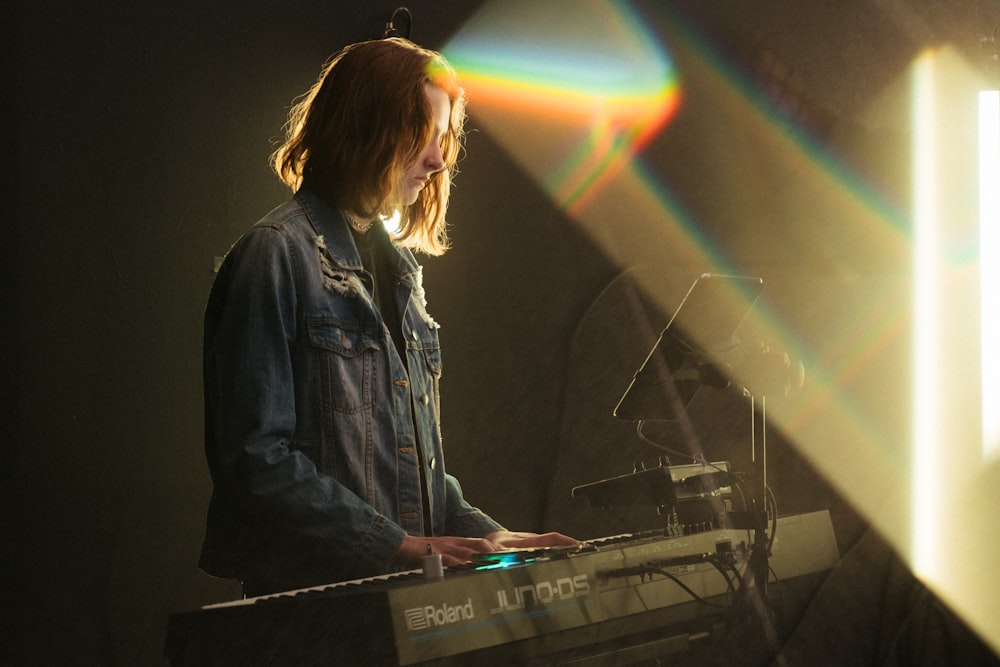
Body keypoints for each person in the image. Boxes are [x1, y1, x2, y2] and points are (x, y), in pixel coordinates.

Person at [198, 37, 576, 597]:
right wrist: (397, 546)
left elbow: (412, 471)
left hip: (399, 598)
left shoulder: (401, 273)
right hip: (315, 614)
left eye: (444, 138)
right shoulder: (274, 255)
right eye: (425, 135)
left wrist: (491, 539)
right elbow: (257, 463)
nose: (439, 159)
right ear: (366, 127)